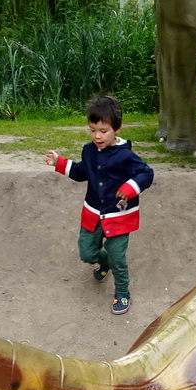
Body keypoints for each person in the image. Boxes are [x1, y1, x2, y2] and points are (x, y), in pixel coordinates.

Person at [46, 95, 154, 315]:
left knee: (117, 257)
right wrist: (60, 163)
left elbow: (146, 173)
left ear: (117, 129)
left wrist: (130, 187)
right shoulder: (88, 151)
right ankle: (102, 263)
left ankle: (122, 292)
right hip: (93, 213)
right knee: (86, 252)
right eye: (93, 129)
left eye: (103, 131)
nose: (97, 135)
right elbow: (80, 172)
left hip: (119, 218)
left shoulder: (126, 156)